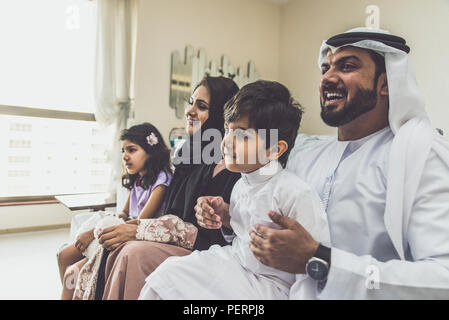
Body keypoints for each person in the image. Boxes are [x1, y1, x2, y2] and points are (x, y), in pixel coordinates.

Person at [244, 27, 449, 299]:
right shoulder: (306, 152)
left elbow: (441, 278)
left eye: (347, 66)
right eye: (325, 68)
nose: (327, 78)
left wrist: (322, 261)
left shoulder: (420, 154)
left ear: (386, 83)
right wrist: (228, 219)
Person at [138, 80, 331, 300]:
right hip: (235, 261)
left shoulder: (295, 193)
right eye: (227, 131)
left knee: (172, 280)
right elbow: (240, 236)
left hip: (271, 286)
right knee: (165, 275)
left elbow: (315, 263)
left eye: (241, 135)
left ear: (275, 149)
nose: (227, 142)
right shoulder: (241, 184)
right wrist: (227, 217)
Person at [99, 76, 241, 300]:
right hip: (175, 238)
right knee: (115, 245)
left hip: (201, 249)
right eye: (191, 102)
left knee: (133, 253)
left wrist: (139, 230)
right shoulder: (189, 154)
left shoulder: (232, 165)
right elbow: (171, 213)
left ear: (221, 116)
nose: (190, 111)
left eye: (201, 106)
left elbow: (214, 234)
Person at [57, 122, 173, 299]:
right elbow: (124, 214)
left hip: (133, 236)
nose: (125, 156)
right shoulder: (138, 181)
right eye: (123, 151)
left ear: (150, 152)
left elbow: (137, 223)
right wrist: (106, 221)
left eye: (132, 150)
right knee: (63, 256)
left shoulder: (162, 180)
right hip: (120, 232)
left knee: (71, 274)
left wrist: (93, 233)